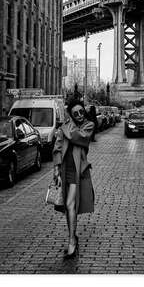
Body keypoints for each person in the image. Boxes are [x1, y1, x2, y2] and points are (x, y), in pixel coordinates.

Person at [52, 99, 95, 259]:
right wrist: (56, 169)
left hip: (78, 171)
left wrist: (66, 126)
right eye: (75, 113)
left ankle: (71, 242)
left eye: (81, 112)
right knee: (68, 207)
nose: (79, 115)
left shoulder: (88, 125)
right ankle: (73, 236)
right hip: (65, 170)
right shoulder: (65, 126)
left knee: (70, 204)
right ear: (71, 114)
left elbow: (78, 137)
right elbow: (57, 148)